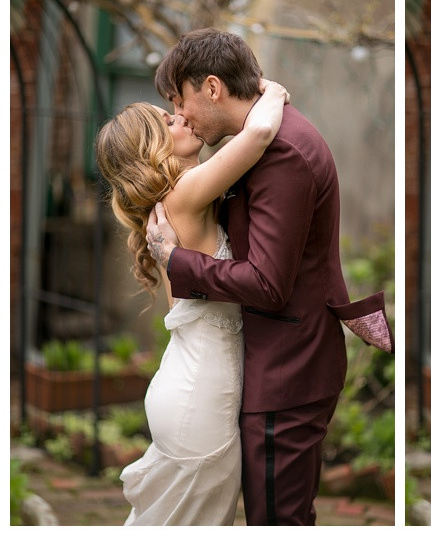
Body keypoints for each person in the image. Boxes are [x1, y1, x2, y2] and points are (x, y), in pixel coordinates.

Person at [144, 28, 393, 526]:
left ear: (212, 87)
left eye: (179, 98)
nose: (181, 114)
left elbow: (267, 284)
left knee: (278, 521)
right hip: (269, 366)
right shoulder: (259, 140)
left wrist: (176, 262)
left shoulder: (282, 151)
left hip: (288, 372)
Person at [95, 78, 290, 525]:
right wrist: (272, 91)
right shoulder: (183, 195)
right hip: (200, 394)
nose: (180, 115)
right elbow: (258, 135)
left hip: (190, 386)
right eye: (167, 120)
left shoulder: (181, 198)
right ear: (152, 149)